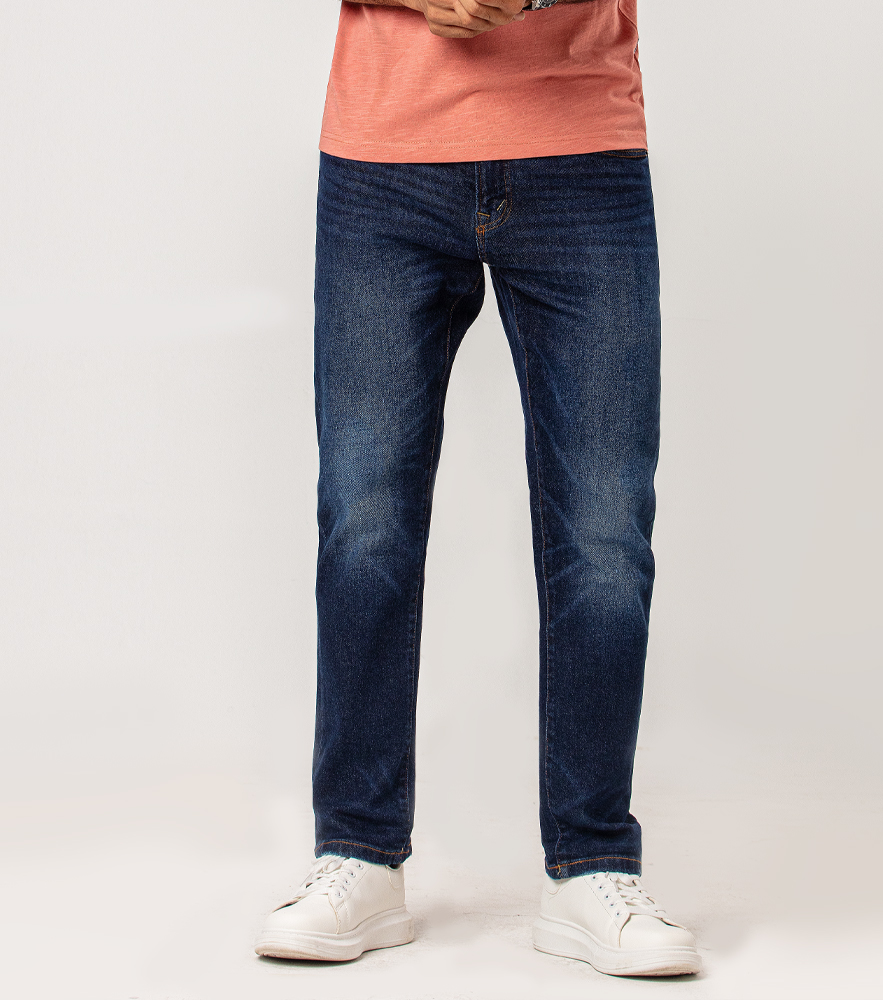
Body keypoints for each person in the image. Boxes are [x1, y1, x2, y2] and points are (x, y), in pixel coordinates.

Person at [254, 0, 702, 978]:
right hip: (384, 158)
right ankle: (358, 853)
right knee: (365, 515)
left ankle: (591, 864)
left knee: (604, 528)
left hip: (580, 153)